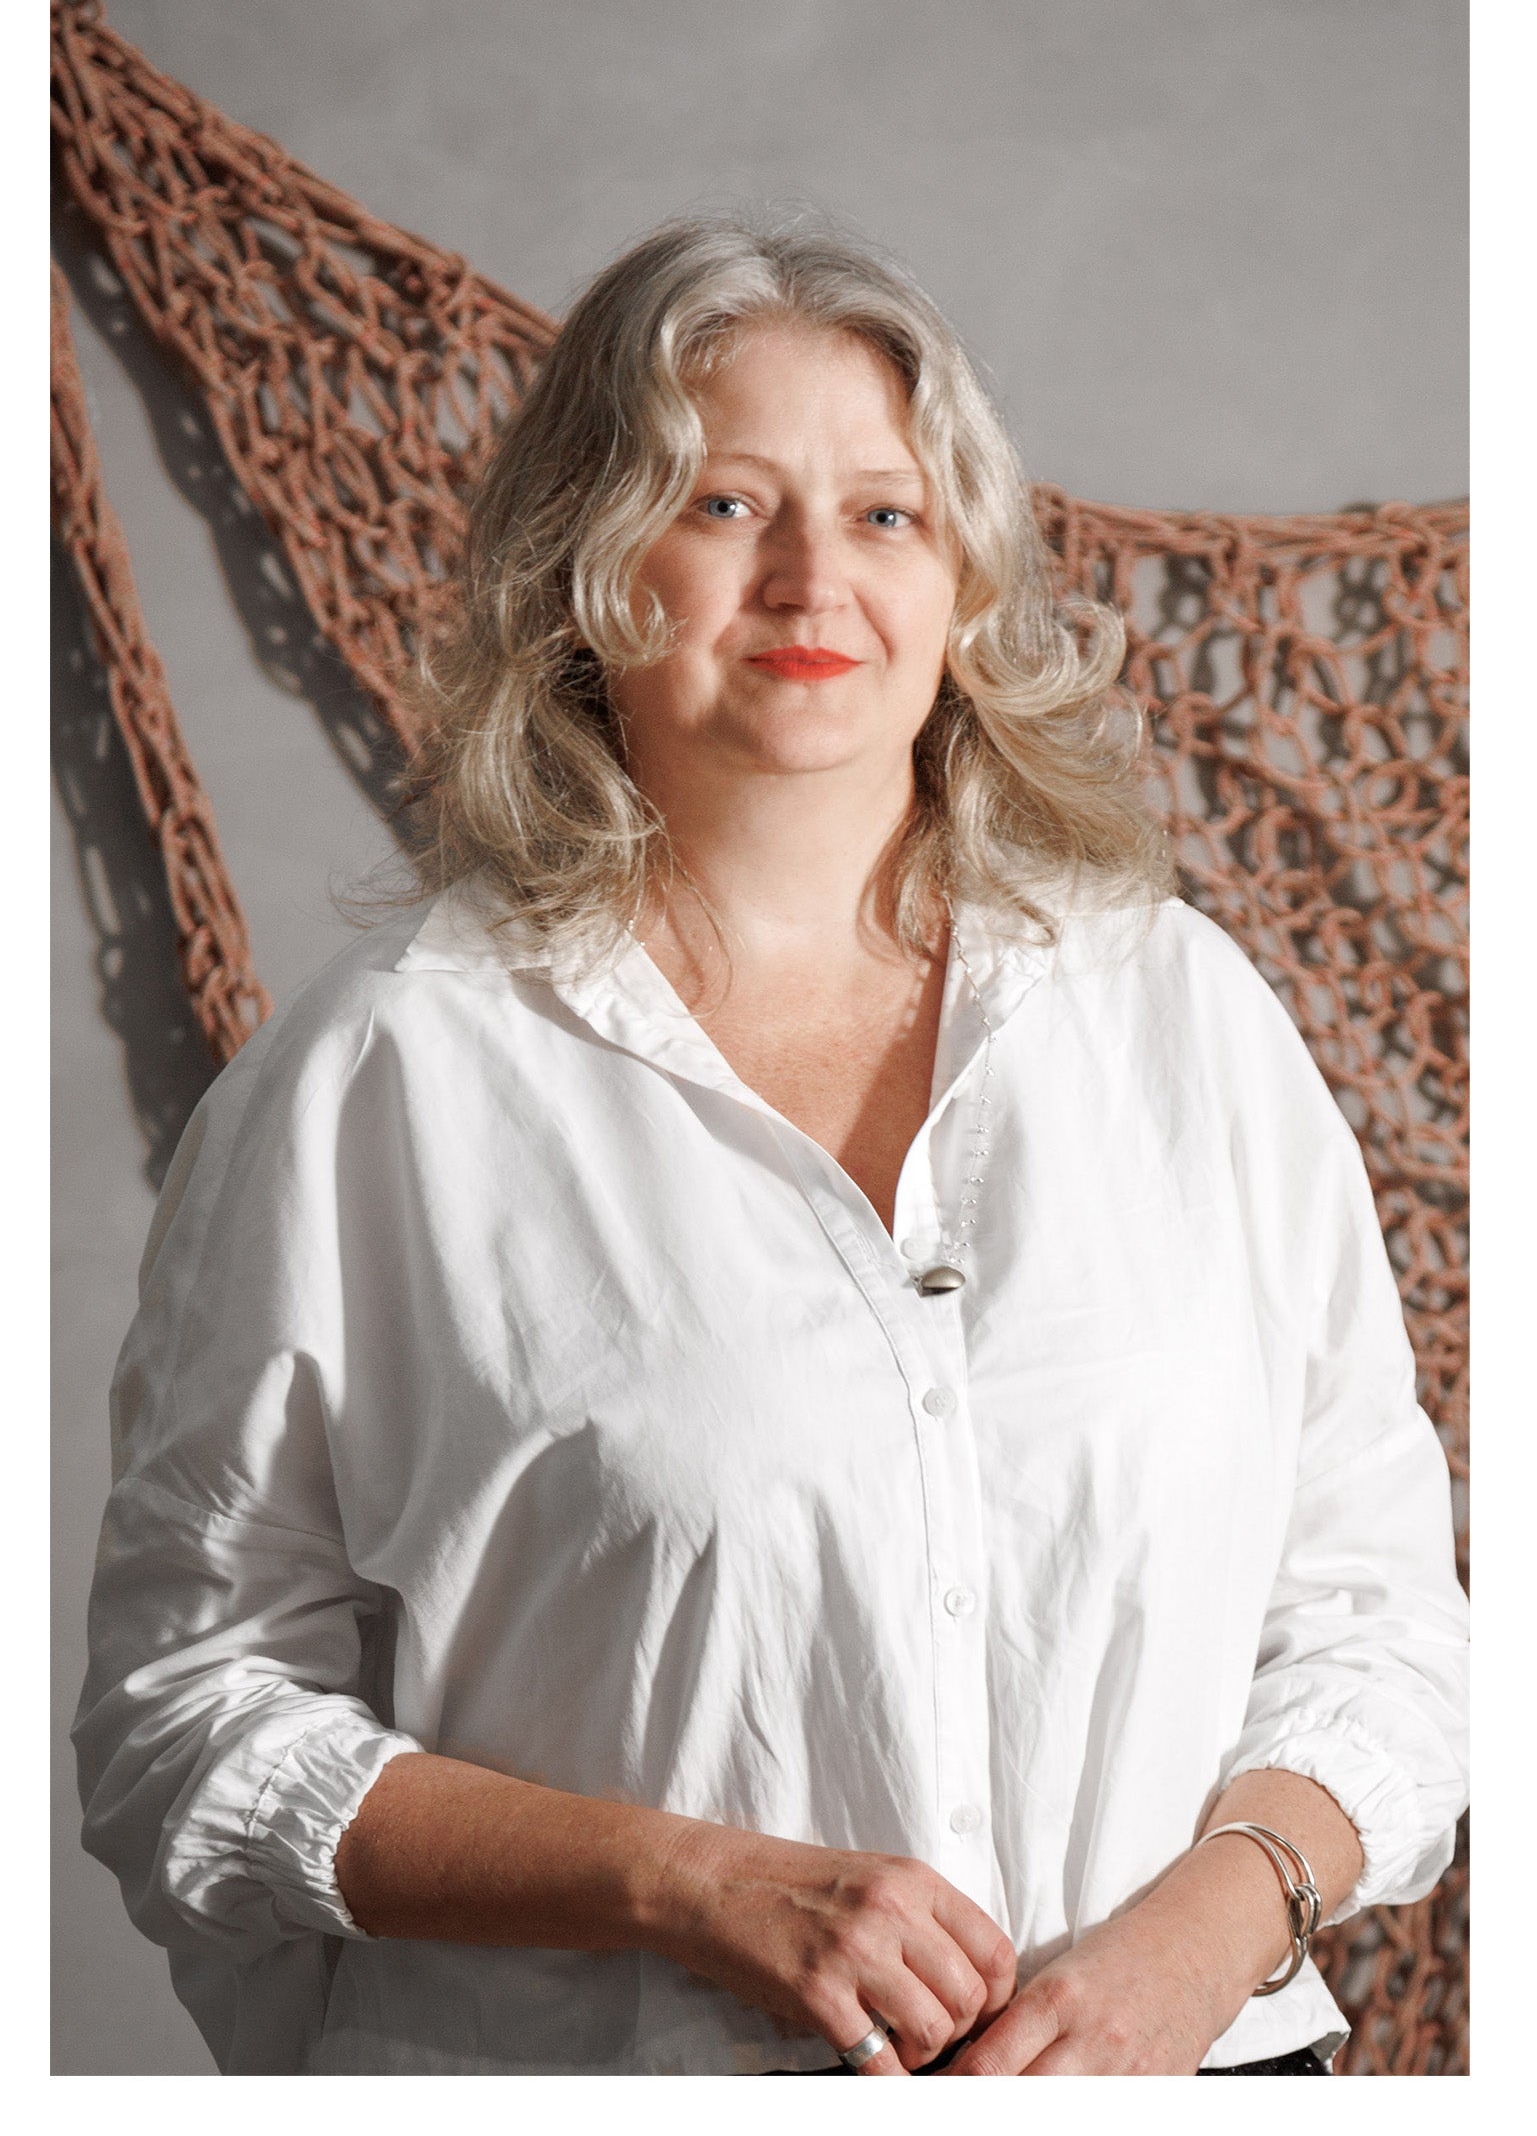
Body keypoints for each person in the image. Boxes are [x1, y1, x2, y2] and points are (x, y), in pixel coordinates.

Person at [74, 213, 1469, 2078]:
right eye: (722, 504)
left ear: (964, 575)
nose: (814, 577)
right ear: (586, 567)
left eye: (885, 512)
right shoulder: (377, 1083)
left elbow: (1382, 1620)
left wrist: (1190, 1951)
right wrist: (688, 1883)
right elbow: (190, 1725)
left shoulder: (1182, 1017)